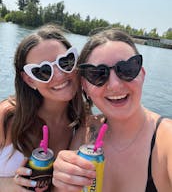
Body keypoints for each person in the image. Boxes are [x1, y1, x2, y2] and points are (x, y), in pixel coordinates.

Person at [52, 28, 172, 192]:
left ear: (142, 74)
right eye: (97, 74)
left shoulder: (166, 141)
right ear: (85, 86)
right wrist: (62, 182)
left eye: (127, 69)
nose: (115, 85)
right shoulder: (86, 132)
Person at [0, 24, 86, 191]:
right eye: (43, 71)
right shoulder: (7, 116)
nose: (59, 75)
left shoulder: (80, 125)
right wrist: (11, 185)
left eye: (65, 62)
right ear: (30, 80)